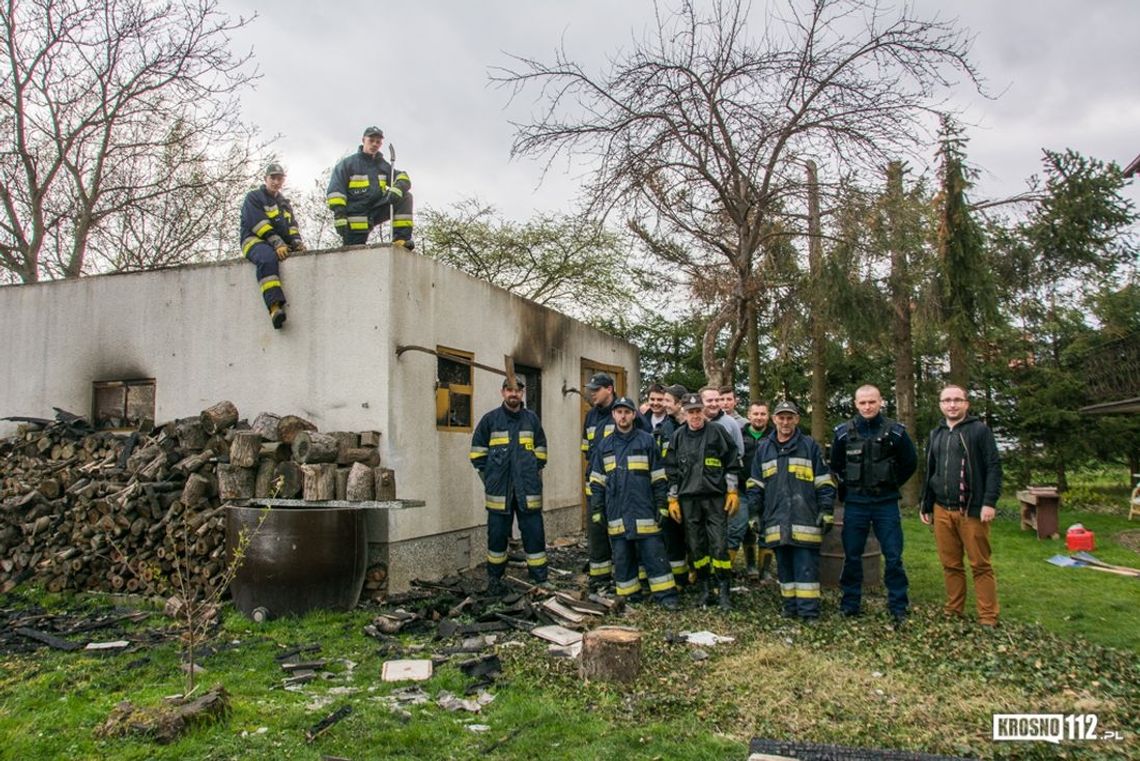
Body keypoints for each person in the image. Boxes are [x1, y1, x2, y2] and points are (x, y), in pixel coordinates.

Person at [829, 385, 918, 625]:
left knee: (893, 556)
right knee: (852, 556)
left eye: (872, 402)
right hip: (856, 503)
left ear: (881, 402)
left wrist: (890, 483)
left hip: (885, 503)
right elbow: (835, 464)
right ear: (855, 404)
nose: (867, 407)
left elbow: (910, 463)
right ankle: (850, 604)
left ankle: (898, 605)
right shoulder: (843, 434)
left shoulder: (896, 433)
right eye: (863, 403)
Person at [920, 384, 1003, 628]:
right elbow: (930, 471)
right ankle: (954, 610)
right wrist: (926, 504)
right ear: (941, 405)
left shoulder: (979, 431)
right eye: (947, 400)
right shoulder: (936, 434)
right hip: (941, 508)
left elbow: (993, 467)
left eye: (957, 400)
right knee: (950, 564)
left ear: (966, 404)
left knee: (980, 565)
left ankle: (987, 617)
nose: (952, 405)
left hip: (972, 510)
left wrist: (989, 502)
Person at [746, 400, 836, 622]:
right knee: (784, 568)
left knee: (806, 568)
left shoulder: (810, 447)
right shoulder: (764, 449)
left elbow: (824, 482)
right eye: (781, 417)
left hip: (804, 517)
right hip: (776, 519)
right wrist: (754, 513)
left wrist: (825, 510)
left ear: (796, 419)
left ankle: (809, 612)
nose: (785, 422)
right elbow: (755, 485)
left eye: (790, 417)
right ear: (774, 419)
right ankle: (790, 608)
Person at [588, 396, 679, 610]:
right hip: (616, 510)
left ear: (633, 415)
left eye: (627, 412)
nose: (623, 416)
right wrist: (597, 509)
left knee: (654, 554)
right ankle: (630, 596)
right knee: (622, 557)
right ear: (614, 415)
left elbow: (658, 477)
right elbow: (597, 481)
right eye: (619, 412)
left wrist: (662, 504)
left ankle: (666, 596)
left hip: (644, 509)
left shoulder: (647, 441)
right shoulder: (604, 446)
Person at [469, 378, 551, 595]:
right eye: (509, 390)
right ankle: (494, 579)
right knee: (496, 537)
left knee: (534, 535)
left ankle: (540, 580)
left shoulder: (532, 420)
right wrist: (491, 479)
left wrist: (532, 469)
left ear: (522, 393)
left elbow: (542, 451)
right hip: (499, 493)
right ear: (502, 392)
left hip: (528, 491)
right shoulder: (490, 421)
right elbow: (477, 454)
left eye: (518, 390)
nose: (513, 394)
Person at [663, 392, 741, 610]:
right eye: (691, 412)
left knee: (719, 546)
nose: (695, 416)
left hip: (715, 498)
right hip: (689, 501)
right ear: (684, 414)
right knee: (696, 547)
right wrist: (673, 499)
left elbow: (732, 461)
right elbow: (672, 471)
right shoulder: (678, 437)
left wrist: (732, 490)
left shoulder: (717, 432)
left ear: (704, 411)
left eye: (698, 411)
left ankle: (724, 590)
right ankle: (705, 589)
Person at [326, 125, 415, 248]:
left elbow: (403, 177)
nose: (374, 144)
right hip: (355, 217)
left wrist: (397, 188)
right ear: (363, 140)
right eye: (371, 141)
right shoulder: (347, 164)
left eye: (378, 142)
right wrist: (339, 215)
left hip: (376, 210)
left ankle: (400, 240)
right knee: (353, 254)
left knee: (405, 197)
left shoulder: (382, 165)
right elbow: (335, 191)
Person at [239, 163, 304, 329]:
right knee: (267, 259)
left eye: (279, 178)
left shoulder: (284, 203)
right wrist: (277, 243)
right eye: (272, 178)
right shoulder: (254, 197)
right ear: (265, 179)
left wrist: (296, 242)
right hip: (254, 241)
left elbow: (291, 226)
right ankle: (274, 307)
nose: (276, 182)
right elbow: (259, 224)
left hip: (277, 244)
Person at [702, 386, 746, 573]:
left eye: (716, 400)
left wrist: (731, 488)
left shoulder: (730, 424)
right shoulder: (695, 421)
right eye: (709, 401)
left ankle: (721, 573)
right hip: (699, 488)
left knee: (724, 531)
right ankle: (702, 572)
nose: (714, 404)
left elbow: (739, 454)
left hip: (722, 488)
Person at [740, 400, 774, 580]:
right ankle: (751, 565)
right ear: (749, 415)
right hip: (745, 489)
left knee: (767, 528)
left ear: (768, 417)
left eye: (762, 414)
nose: (759, 418)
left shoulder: (774, 436)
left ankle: (765, 569)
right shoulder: (740, 434)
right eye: (756, 414)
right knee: (747, 528)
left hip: (769, 491)